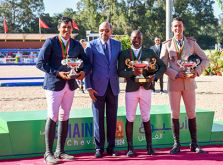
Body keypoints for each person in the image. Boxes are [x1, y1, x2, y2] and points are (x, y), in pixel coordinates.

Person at [36, 16, 91, 164]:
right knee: (53, 115)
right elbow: (40, 63)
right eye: (64, 27)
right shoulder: (51, 42)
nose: (66, 30)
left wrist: (82, 73)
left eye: (69, 27)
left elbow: (86, 62)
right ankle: (48, 153)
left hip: (70, 85)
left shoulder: (76, 44)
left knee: (65, 116)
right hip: (54, 84)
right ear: (59, 28)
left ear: (72, 28)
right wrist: (57, 73)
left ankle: (60, 151)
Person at [160, 17, 209, 154]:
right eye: (175, 26)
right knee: (174, 114)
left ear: (183, 27)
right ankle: (176, 144)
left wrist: (197, 71)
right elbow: (162, 65)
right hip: (174, 83)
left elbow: (205, 58)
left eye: (180, 26)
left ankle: (194, 144)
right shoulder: (167, 45)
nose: (177, 29)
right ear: (171, 28)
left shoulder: (191, 43)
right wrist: (175, 74)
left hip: (189, 83)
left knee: (191, 113)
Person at [118, 30, 166, 157]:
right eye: (134, 38)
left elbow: (163, 66)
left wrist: (154, 77)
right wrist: (132, 73)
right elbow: (120, 72)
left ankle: (149, 147)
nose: (136, 40)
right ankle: (130, 148)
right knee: (130, 118)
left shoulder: (149, 52)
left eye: (139, 37)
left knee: (146, 117)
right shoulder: (124, 54)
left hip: (146, 88)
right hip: (131, 89)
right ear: (130, 39)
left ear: (142, 39)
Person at [85, 21, 122, 158]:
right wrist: (88, 87)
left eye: (106, 30)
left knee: (112, 118)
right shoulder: (91, 45)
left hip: (113, 87)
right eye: (101, 30)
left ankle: (111, 147)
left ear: (111, 31)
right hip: (96, 88)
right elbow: (87, 68)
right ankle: (99, 148)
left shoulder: (118, 45)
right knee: (98, 118)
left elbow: (121, 65)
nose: (104, 33)